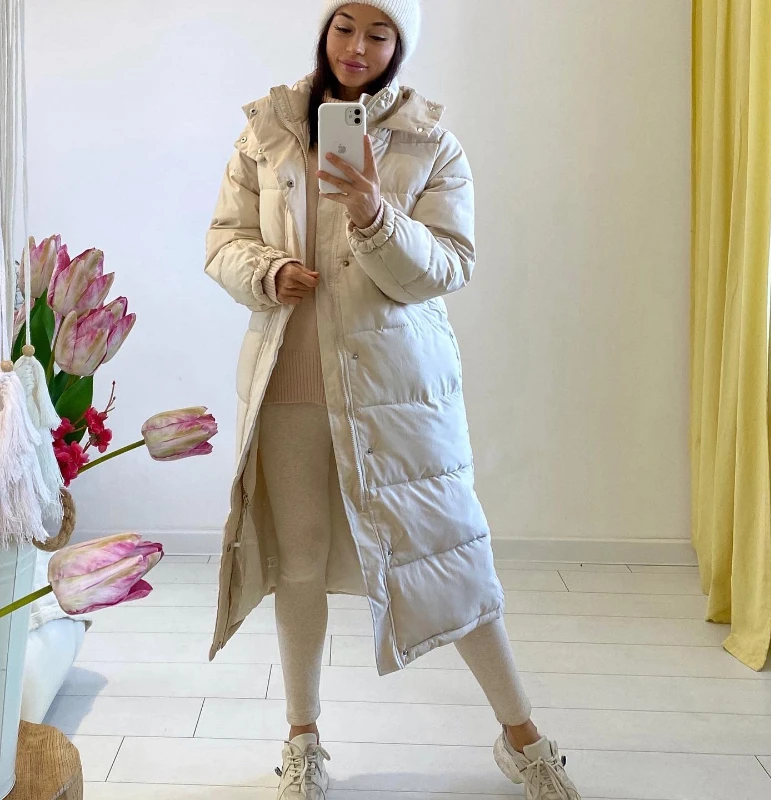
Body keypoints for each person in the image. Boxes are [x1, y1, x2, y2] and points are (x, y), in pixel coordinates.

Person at [205, 2, 581, 798]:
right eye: (345, 25)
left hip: (395, 391)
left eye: (381, 34)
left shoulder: (431, 143)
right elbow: (224, 240)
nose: (358, 47)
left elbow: (447, 267)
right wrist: (268, 272)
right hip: (287, 385)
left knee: (452, 557)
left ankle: (523, 737)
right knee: (299, 561)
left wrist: (375, 214)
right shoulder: (268, 131)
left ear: (401, 44)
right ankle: (302, 739)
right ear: (325, 29)